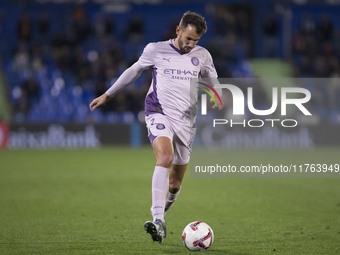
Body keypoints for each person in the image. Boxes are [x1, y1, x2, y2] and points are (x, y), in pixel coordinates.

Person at [89, 11, 223, 244]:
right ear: (178, 31)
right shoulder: (155, 50)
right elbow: (134, 71)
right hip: (158, 111)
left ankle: (161, 216)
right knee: (165, 158)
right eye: (188, 38)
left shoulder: (203, 56)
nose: (191, 45)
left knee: (175, 184)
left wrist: (217, 96)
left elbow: (214, 83)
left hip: (186, 122)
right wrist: (107, 95)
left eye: (196, 41)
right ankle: (158, 220)